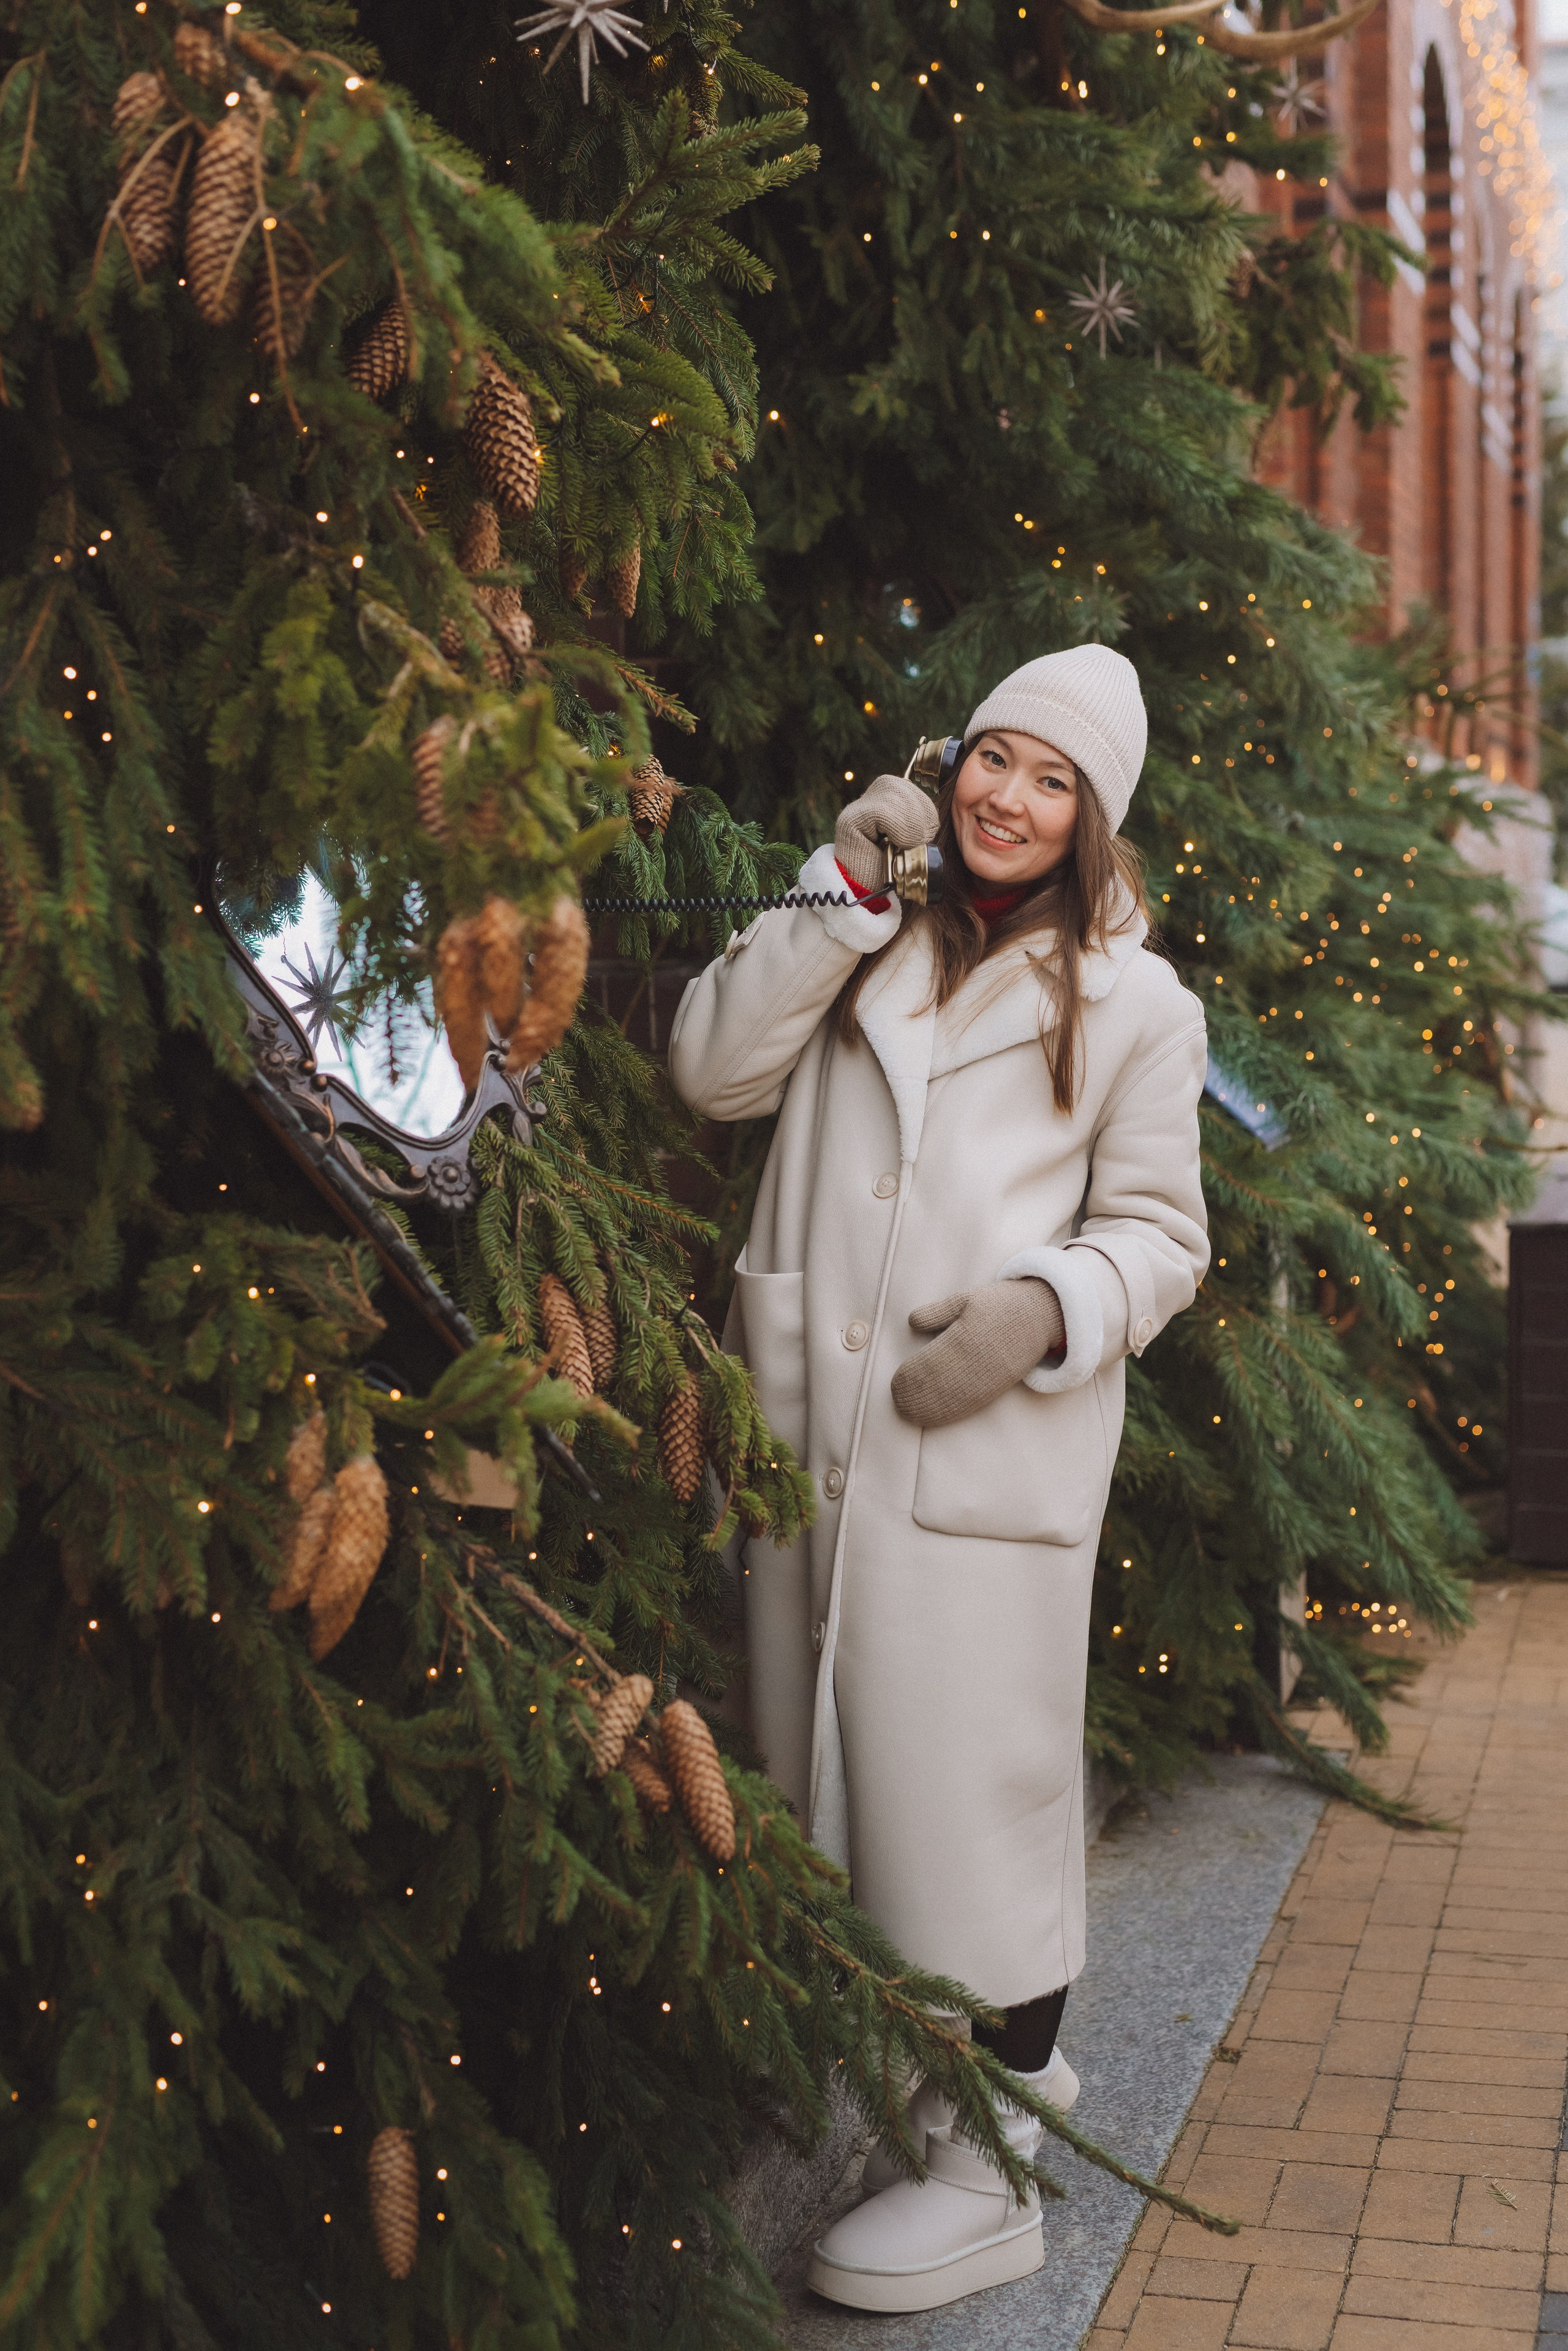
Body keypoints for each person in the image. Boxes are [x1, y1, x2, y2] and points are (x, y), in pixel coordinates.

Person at [668, 645, 1209, 2313]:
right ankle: (914, 2103)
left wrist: (1049, 1308)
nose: (1010, 798)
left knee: (980, 1811)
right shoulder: (861, 924)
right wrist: (831, 892)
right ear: (952, 758)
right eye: (996, 758)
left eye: (1055, 781)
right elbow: (710, 1068)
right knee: (835, 1798)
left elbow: (1165, 1237)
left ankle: (1001, 2160)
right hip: (812, 1446)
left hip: (983, 1457)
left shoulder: (1139, 1003)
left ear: (1091, 817)